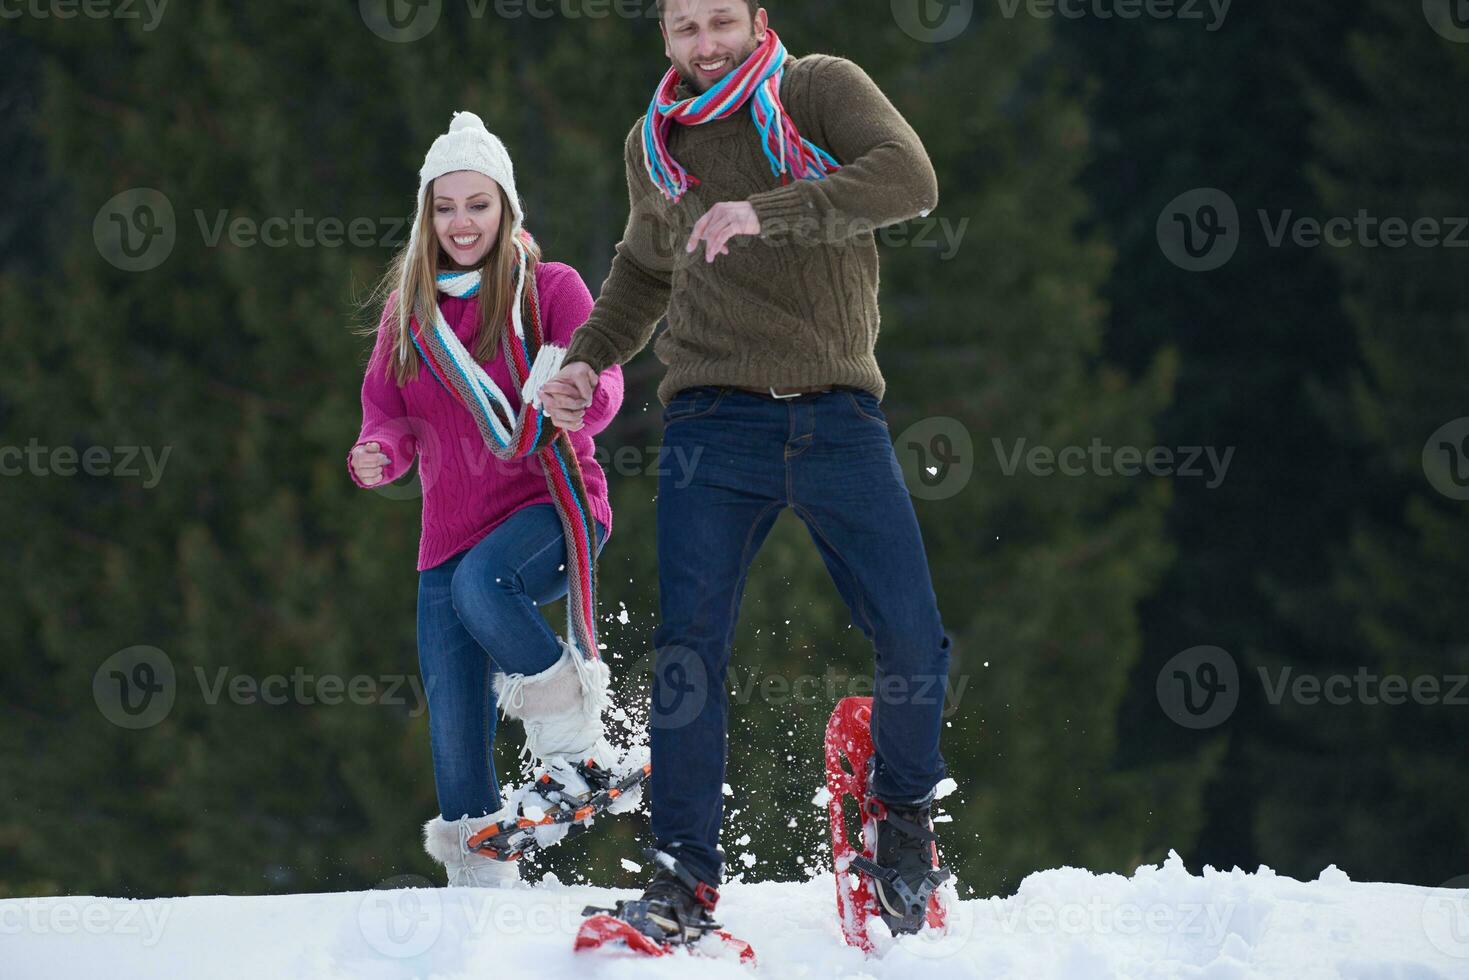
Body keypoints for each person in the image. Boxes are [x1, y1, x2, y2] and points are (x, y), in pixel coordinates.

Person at [539, 0, 953, 941]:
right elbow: (645, 272)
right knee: (688, 653)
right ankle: (682, 879)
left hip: (836, 414)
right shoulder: (656, 142)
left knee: (914, 636)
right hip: (709, 423)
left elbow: (909, 177)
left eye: (720, 19)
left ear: (756, 15)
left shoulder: (816, 89)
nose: (705, 43)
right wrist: (585, 361)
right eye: (685, 28)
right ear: (664, 37)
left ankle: (901, 821)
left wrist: (767, 210)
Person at [349, 111, 627, 888]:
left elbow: (600, 376)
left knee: (485, 586)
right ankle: (480, 893)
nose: (461, 222)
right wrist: (378, 454)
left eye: (477, 204)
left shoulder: (549, 289)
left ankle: (578, 754)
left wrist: (587, 400)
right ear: (424, 216)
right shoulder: (410, 318)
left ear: (506, 206)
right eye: (444, 207)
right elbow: (387, 413)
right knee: (453, 715)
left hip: (552, 507)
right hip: (447, 531)